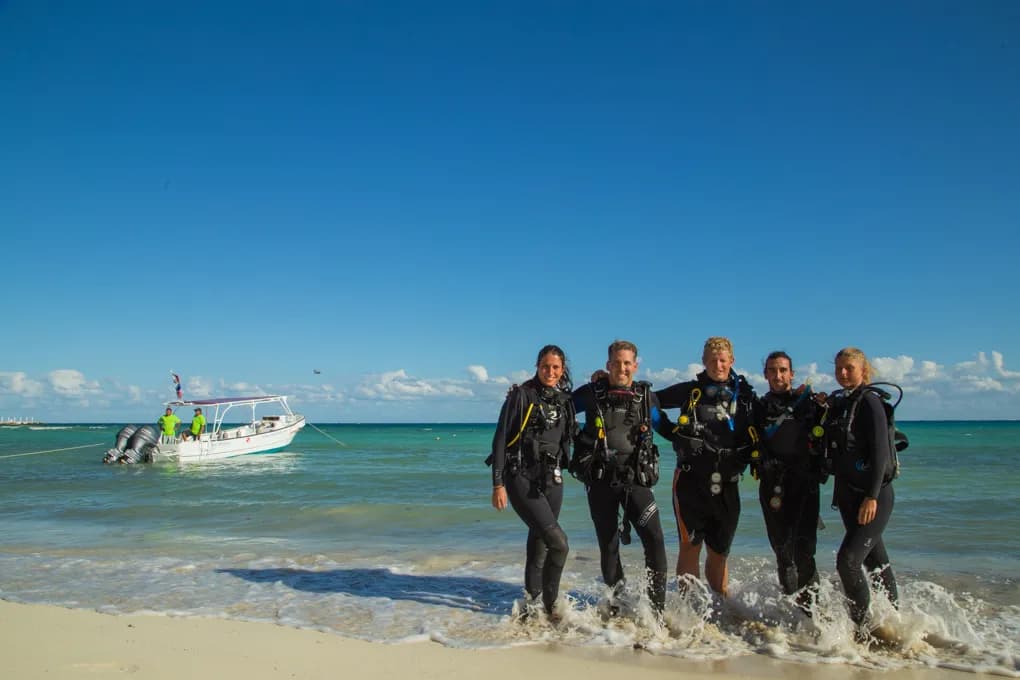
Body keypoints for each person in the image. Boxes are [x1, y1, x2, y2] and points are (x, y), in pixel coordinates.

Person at [570, 340, 670, 615]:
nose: (622, 368)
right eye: (616, 363)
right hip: (600, 479)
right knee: (609, 545)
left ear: (635, 366)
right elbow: (558, 407)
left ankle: (657, 612)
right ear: (608, 365)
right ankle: (619, 606)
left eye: (627, 363)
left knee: (655, 540)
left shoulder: (646, 397)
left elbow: (667, 429)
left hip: (635, 479)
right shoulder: (591, 393)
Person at [656, 336, 757, 597]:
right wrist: (671, 433)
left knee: (719, 552)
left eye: (722, 360)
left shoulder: (746, 396)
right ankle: (689, 609)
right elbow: (649, 401)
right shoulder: (691, 391)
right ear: (703, 361)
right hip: (690, 481)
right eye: (712, 361)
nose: (718, 365)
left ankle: (720, 607)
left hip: (728, 484)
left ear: (732, 360)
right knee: (690, 546)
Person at [488, 345, 576, 619]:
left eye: (556, 367)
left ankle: (533, 607)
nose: (550, 372)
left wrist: (600, 378)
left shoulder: (564, 400)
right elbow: (500, 439)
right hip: (521, 477)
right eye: (545, 366)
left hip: (553, 478)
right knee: (559, 543)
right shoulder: (521, 396)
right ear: (537, 366)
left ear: (562, 370)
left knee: (540, 543)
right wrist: (498, 484)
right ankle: (552, 607)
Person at [823, 347, 899, 633]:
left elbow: (880, 453)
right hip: (847, 495)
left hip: (873, 496)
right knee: (876, 562)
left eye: (849, 368)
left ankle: (863, 629)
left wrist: (872, 496)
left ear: (863, 370)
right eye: (839, 368)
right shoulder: (842, 402)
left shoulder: (870, 402)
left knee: (848, 561)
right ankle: (894, 624)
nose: (843, 373)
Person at [755, 351, 825, 610]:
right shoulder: (758, 407)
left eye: (783, 370)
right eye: (772, 370)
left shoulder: (808, 403)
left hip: (805, 484)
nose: (778, 376)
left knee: (805, 553)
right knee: (783, 553)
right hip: (772, 486)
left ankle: (813, 613)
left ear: (792, 374)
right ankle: (794, 613)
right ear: (765, 374)